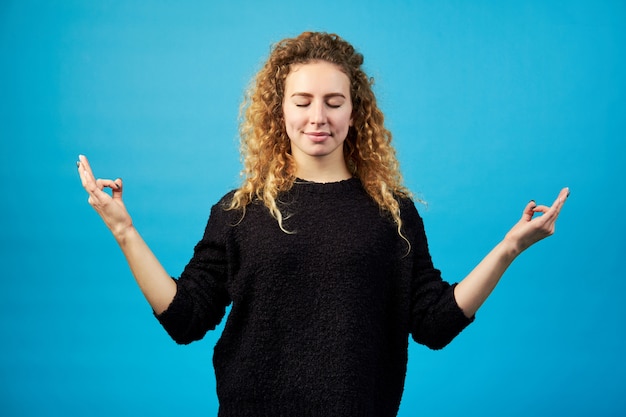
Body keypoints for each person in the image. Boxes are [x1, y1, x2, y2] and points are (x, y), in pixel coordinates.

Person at [77, 31, 569, 417]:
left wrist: (508, 248)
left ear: (355, 113)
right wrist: (124, 230)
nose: (319, 116)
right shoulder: (239, 211)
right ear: (280, 110)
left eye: (334, 102)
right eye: (303, 100)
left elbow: (435, 323)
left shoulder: (392, 213)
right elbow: (186, 319)